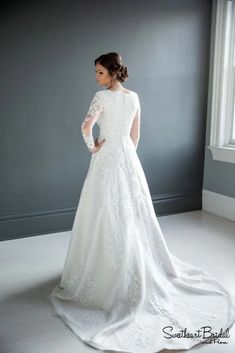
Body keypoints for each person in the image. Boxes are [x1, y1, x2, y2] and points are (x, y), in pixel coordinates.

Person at [48, 52, 235, 353]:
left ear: (110, 73)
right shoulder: (134, 97)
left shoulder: (101, 98)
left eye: (98, 72)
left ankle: (104, 269)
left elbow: (85, 128)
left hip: (107, 158)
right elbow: (136, 135)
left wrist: (94, 149)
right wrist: (127, 155)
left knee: (103, 213)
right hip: (128, 159)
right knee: (132, 213)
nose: (95, 77)